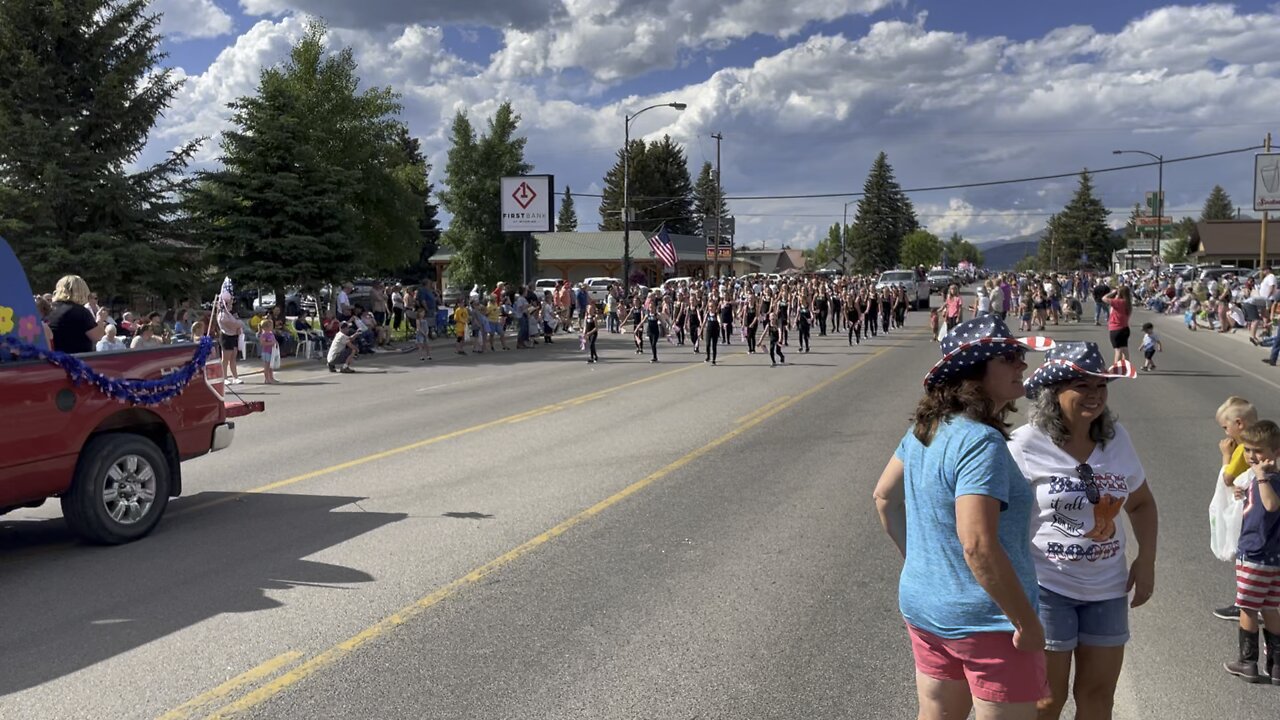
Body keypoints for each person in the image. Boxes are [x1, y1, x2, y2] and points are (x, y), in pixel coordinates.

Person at [873, 316, 1053, 719]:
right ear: (974, 371)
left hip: (925, 608)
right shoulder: (980, 440)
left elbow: (884, 497)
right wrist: (1026, 622)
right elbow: (976, 544)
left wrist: (923, 564)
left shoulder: (927, 427)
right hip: (988, 622)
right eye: (1009, 356)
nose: (1022, 364)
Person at [1011, 342, 1157, 719]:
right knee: (1046, 700)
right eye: (1082, 386)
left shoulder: (1116, 439)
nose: (1094, 396)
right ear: (1054, 393)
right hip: (1047, 589)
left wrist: (1147, 560)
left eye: (1100, 387)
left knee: (1098, 697)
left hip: (1108, 589)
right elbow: (997, 517)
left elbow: (1141, 503)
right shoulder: (1025, 444)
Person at [1224, 420, 1280, 683]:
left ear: (1275, 452)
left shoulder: (1268, 479)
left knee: (1247, 608)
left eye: (1258, 451)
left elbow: (1270, 505)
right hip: (1271, 558)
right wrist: (1244, 492)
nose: (1251, 456)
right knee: (1269, 607)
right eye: (1248, 450)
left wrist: (1259, 477)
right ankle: (1276, 665)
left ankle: (1248, 662)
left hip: (1256, 555)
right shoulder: (1264, 479)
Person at [1215, 397, 1260, 621]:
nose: (1226, 434)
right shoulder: (1260, 444)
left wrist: (1225, 455)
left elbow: (1228, 477)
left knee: (1243, 555)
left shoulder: (1244, 448)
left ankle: (1245, 602)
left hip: (1247, 511)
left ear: (1239, 424)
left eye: (1226, 427)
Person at [47, 275, 106, 354]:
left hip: (53, 359)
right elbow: (97, 336)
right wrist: (100, 320)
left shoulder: (48, 309)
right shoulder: (80, 312)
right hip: (76, 359)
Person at [1103, 285, 1132, 365]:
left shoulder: (1119, 302)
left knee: (1118, 350)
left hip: (1116, 328)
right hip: (1125, 328)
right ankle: (1126, 366)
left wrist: (1112, 293)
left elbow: (1104, 298)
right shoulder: (1127, 303)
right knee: (1125, 349)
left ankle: (1116, 367)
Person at [257, 318, 278, 384]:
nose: (272, 327)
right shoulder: (264, 335)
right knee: (267, 366)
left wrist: (276, 343)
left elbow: (274, 340)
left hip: (271, 351)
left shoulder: (271, 333)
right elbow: (263, 343)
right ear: (266, 327)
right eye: (271, 326)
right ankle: (266, 379)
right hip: (266, 352)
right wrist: (271, 343)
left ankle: (271, 377)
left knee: (271, 366)